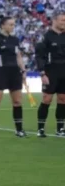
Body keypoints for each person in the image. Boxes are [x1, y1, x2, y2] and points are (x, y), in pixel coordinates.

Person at [0, 16, 27, 138]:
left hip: (15, 73)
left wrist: (23, 70)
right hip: (0, 73)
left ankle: (19, 130)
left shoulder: (15, 40)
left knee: (17, 102)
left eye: (13, 24)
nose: (12, 27)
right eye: (10, 24)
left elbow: (18, 56)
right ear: (3, 25)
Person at [35, 10, 65, 138]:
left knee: (63, 99)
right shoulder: (46, 37)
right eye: (62, 20)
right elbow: (40, 56)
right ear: (54, 21)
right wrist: (42, 73)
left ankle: (60, 129)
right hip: (51, 71)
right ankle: (41, 128)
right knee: (47, 99)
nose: (64, 22)